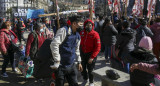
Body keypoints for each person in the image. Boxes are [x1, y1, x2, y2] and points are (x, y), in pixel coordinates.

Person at [50, 16, 83, 86]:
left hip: (71, 65)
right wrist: (57, 60)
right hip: (61, 66)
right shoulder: (64, 30)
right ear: (74, 24)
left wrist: (79, 61)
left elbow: (77, 49)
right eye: (80, 24)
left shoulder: (77, 35)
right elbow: (54, 44)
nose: (82, 26)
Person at [80, 19, 101, 86]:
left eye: (90, 25)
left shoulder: (95, 34)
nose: (88, 26)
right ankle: (85, 78)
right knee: (82, 68)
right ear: (84, 26)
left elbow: (98, 47)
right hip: (83, 53)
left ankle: (91, 82)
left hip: (91, 54)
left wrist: (92, 57)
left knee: (90, 69)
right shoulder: (82, 33)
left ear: (92, 26)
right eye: (87, 25)